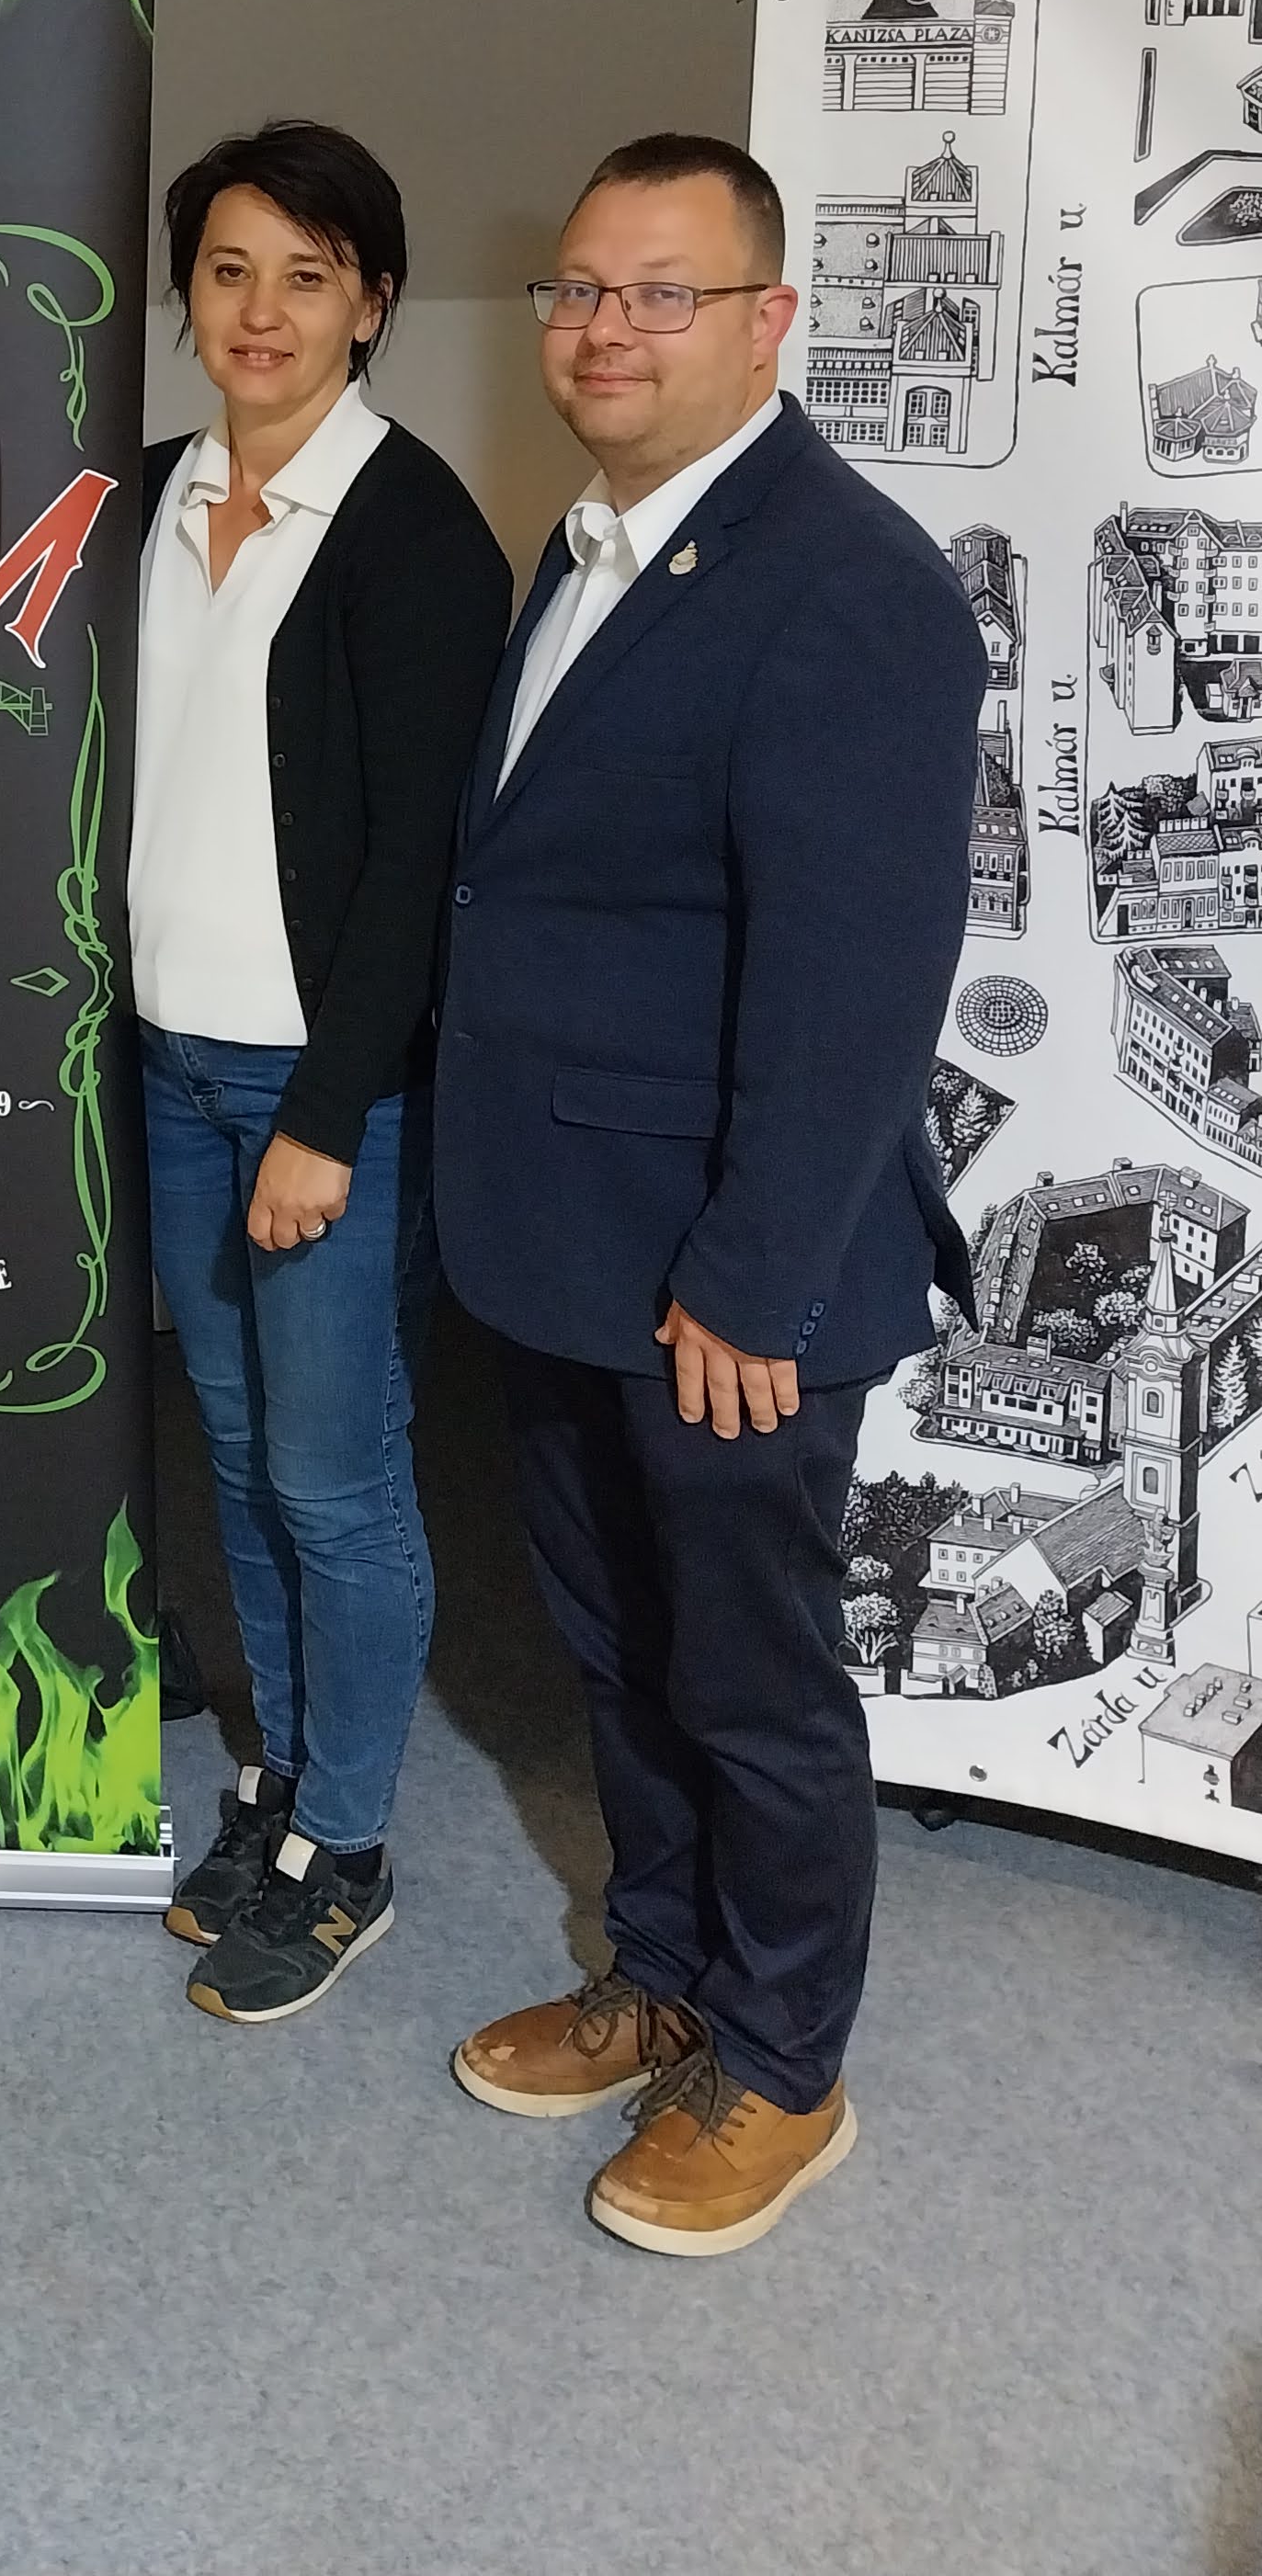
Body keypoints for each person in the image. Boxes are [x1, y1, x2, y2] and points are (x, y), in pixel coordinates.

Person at [435, 131, 981, 2254]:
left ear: (767, 322)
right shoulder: (585, 544)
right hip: (562, 1237)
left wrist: (752, 1279)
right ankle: (662, 1973)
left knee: (749, 1685)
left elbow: (856, 988)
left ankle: (780, 2061)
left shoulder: (849, 588)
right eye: (579, 287)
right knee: (618, 1655)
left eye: (660, 292)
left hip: (724, 1280)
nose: (603, 328)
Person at [132, 122, 512, 2021]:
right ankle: (279, 1785)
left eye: (307, 276)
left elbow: (418, 867)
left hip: (316, 1094)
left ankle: (346, 1844)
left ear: (371, 302)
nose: (261, 312)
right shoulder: (144, 497)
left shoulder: (413, 533)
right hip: (164, 1068)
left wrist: (324, 1116)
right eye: (228, 271)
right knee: (231, 1455)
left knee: (335, 1481)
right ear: (186, 294)